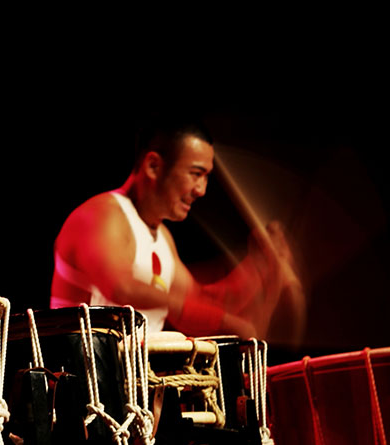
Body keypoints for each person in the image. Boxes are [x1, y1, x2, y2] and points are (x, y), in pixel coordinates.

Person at [49, 120, 300, 337]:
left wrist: (259, 266)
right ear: (153, 166)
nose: (201, 190)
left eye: (206, 176)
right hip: (79, 373)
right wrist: (221, 319)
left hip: (129, 374)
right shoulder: (101, 215)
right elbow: (122, 287)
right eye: (196, 173)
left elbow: (202, 302)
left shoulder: (162, 237)